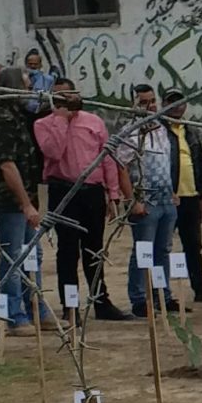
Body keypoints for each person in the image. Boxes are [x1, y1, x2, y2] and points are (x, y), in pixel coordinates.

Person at [34, 78, 130, 322]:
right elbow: (53, 152)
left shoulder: (94, 121)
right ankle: (70, 306)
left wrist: (113, 193)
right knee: (67, 251)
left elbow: (107, 158)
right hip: (63, 190)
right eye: (58, 96)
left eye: (68, 95)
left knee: (94, 249)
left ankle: (101, 301)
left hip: (92, 192)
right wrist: (61, 120)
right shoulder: (43, 124)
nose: (64, 100)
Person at [0, 74, 49, 332]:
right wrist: (25, 203)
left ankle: (37, 309)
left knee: (33, 254)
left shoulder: (17, 116)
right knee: (13, 257)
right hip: (9, 200)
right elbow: (7, 165)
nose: (31, 92)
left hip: (25, 197)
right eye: (27, 87)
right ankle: (14, 315)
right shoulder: (1, 120)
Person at [116, 83, 179, 318]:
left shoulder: (162, 128)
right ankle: (140, 298)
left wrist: (173, 191)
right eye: (143, 102)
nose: (150, 106)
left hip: (165, 198)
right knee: (144, 250)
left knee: (163, 249)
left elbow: (167, 162)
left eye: (152, 101)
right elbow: (121, 166)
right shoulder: (130, 133)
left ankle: (162, 294)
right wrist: (132, 200)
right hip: (145, 200)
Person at [161, 92, 202, 304]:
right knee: (162, 246)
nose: (177, 106)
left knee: (193, 245)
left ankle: (201, 288)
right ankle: (160, 293)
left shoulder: (190, 130)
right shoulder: (158, 131)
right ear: (164, 104)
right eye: (172, 102)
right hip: (168, 197)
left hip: (190, 196)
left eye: (181, 102)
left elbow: (199, 161)